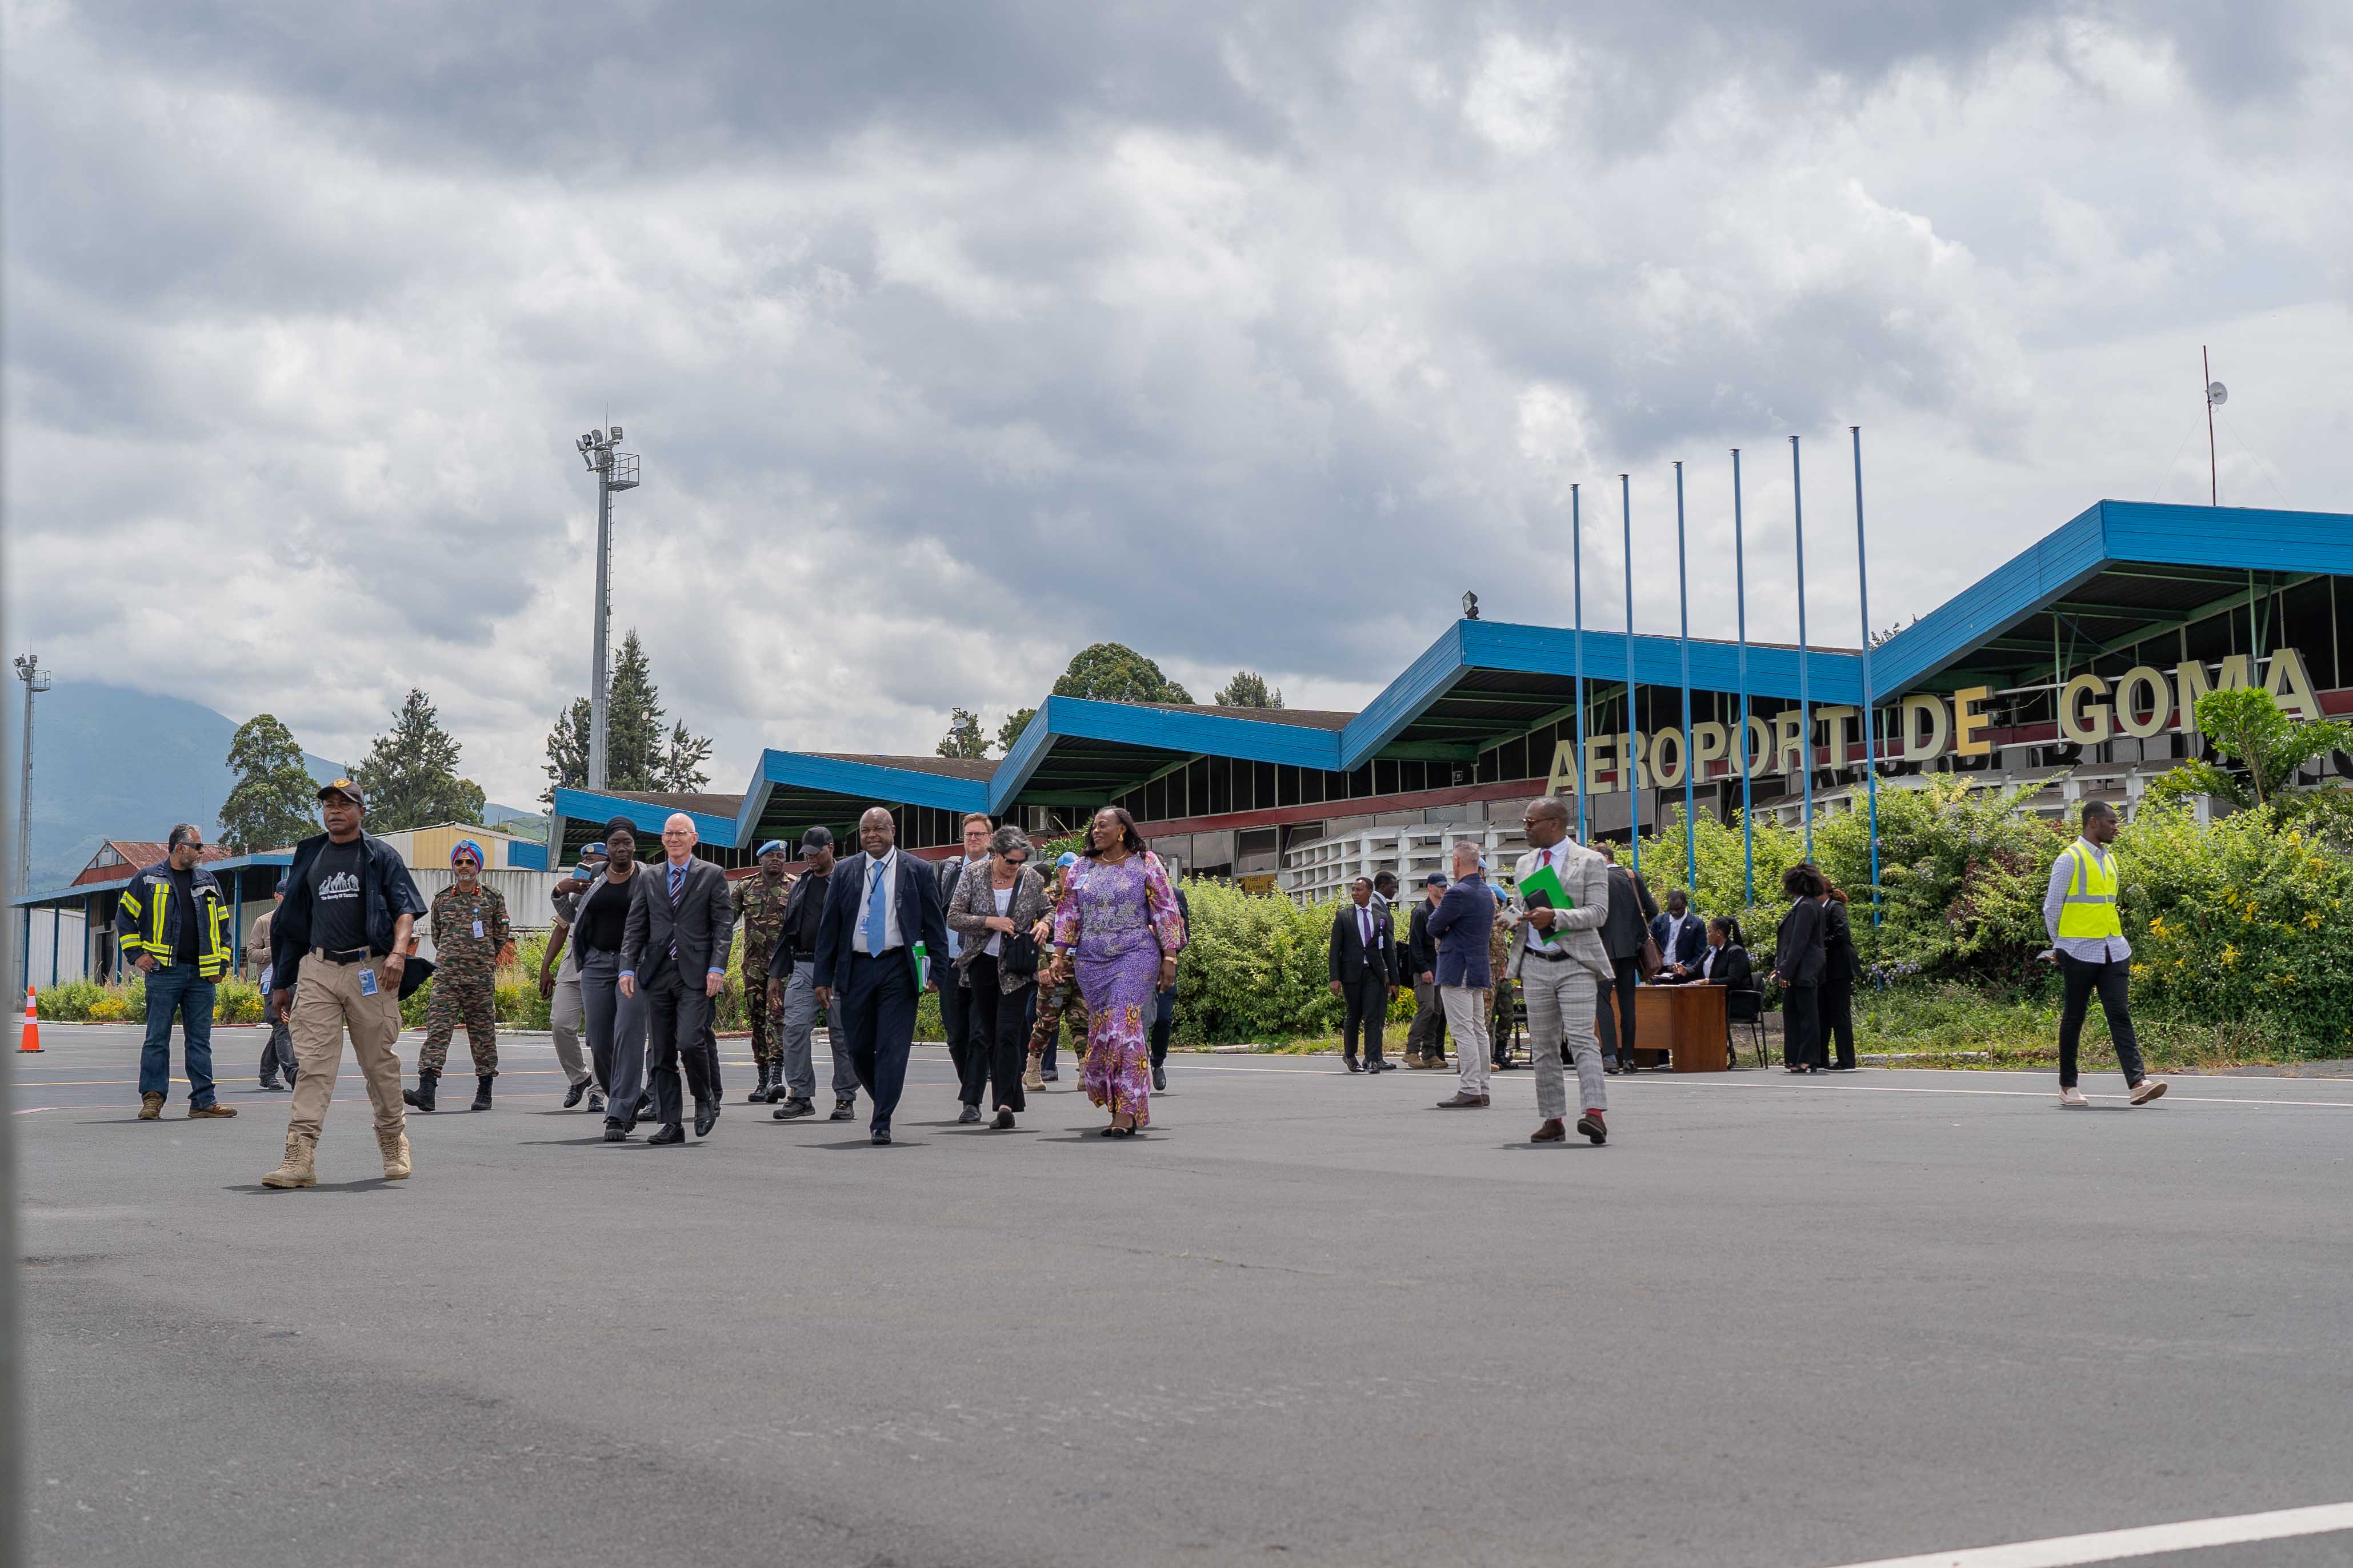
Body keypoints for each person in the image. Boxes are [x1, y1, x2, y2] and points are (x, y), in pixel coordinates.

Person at [262, 780, 428, 1186]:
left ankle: (392, 1139)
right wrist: (282, 980)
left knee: (378, 1063)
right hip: (317, 969)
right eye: (329, 805)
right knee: (313, 1065)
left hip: (369, 968)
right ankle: (299, 1157)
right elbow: (292, 926)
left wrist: (396, 954)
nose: (335, 810)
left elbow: (405, 911)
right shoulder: (310, 855)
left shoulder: (380, 855)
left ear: (361, 811)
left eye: (344, 804)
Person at [812, 807, 951, 1146]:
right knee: (858, 1047)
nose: (871, 835)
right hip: (857, 967)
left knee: (893, 1047)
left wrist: (939, 971)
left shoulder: (917, 870)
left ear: (893, 832)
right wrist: (822, 977)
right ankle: (883, 1098)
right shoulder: (845, 871)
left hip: (898, 968)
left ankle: (882, 1119)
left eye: (878, 829)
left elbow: (934, 924)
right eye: (865, 830)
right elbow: (829, 927)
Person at [1047, 807, 1187, 1137]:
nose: (1096, 831)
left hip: (1135, 953)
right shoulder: (1081, 867)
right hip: (1091, 961)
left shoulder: (1145, 862)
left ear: (1122, 830)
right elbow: (1068, 913)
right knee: (1104, 1033)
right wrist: (1059, 955)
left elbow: (1166, 909)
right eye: (1094, 827)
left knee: (1124, 1025)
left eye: (1103, 825)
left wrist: (1170, 958)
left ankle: (1127, 1111)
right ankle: (1116, 1102)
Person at [2043, 800, 2168, 1108]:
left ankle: (2138, 1083)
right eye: (2112, 822)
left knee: (2119, 1013)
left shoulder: (2109, 860)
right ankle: (2068, 1086)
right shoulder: (2069, 859)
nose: (2117, 827)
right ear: (2094, 823)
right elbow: (2052, 907)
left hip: (2113, 949)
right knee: (2075, 1017)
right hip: (2078, 950)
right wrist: (2059, 945)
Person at [619, 813, 734, 1145]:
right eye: (669, 834)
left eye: (680, 833)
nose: (674, 839)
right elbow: (635, 926)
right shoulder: (650, 877)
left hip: (696, 974)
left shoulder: (711, 875)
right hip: (658, 973)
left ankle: (704, 1098)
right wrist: (627, 967)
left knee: (690, 1041)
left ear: (694, 839)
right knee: (661, 1052)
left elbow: (723, 927)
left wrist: (717, 967)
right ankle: (671, 1123)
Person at [1507, 797, 1614, 1144]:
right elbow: (1522, 906)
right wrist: (1506, 920)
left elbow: (1599, 913)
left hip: (1576, 963)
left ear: (1554, 823)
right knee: (1543, 1046)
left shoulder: (1590, 861)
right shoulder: (1525, 863)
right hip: (1536, 965)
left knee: (1582, 1039)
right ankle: (1553, 1119)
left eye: (1530, 822)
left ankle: (1595, 1114)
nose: (1525, 828)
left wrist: (1557, 916)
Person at [118, 824, 238, 1121]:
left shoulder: (209, 880)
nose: (202, 852)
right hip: (164, 973)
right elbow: (125, 919)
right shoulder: (147, 878)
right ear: (180, 848)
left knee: (200, 1040)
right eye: (198, 846)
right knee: (157, 1037)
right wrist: (137, 955)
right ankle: (153, 1100)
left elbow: (224, 927)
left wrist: (221, 965)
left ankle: (203, 1102)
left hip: (202, 975)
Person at [946, 825, 1053, 1129]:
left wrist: (1044, 925)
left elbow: (1049, 911)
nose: (1015, 867)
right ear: (996, 854)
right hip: (981, 964)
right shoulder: (974, 874)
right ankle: (996, 1098)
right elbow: (954, 917)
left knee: (1008, 1033)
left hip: (1017, 968)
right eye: (1010, 861)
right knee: (986, 1034)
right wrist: (989, 921)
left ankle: (1005, 1105)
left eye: (1020, 862)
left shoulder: (1030, 879)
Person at [407, 840, 513, 1113]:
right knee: (437, 1030)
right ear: (454, 866)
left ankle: (485, 1089)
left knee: (483, 1033)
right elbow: (439, 935)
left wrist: (482, 958)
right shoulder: (442, 898)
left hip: (480, 978)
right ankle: (427, 1091)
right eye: (459, 862)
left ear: (478, 865)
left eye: (469, 862)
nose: (464, 867)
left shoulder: (492, 897)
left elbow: (500, 937)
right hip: (447, 978)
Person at [767, 827, 859, 1122]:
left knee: (841, 1034)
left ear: (831, 848)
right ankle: (801, 1096)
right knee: (793, 1028)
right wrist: (777, 976)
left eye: (815, 852)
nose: (809, 858)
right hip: (805, 966)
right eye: (805, 853)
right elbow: (788, 931)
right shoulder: (801, 884)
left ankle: (845, 1097)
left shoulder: (848, 880)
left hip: (839, 967)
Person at [577, 820, 650, 1133]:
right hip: (595, 963)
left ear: (635, 845)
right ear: (606, 848)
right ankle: (628, 1097)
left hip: (633, 965)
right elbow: (570, 917)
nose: (621, 848)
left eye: (627, 843)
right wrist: (558, 892)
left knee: (629, 1036)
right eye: (615, 843)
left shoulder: (649, 877)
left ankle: (617, 1113)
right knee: (600, 1041)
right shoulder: (593, 877)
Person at [538, 844, 608, 1112]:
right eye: (585, 860)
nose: (588, 862)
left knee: (600, 1034)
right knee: (560, 1025)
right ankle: (580, 1078)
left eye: (593, 859)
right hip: (573, 967)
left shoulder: (620, 883)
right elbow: (562, 926)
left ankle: (599, 1092)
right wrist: (546, 968)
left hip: (604, 967)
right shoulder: (577, 892)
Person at [936, 813, 996, 1122]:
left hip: (983, 963)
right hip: (949, 962)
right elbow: (936, 914)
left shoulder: (998, 871)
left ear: (990, 838)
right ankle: (969, 1087)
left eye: (979, 834)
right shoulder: (950, 869)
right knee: (956, 1035)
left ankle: (971, 1101)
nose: (973, 839)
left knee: (979, 1034)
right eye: (969, 834)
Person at [1430, 840, 1499, 1109]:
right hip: (1478, 966)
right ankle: (1482, 1087)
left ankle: (1469, 1088)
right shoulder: (1486, 893)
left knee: (1463, 1030)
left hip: (1456, 965)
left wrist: (1447, 931)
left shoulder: (1458, 893)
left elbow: (1434, 925)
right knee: (1479, 1029)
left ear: (1457, 862)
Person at [733, 840, 797, 1104]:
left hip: (782, 967)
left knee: (777, 1017)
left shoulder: (795, 886)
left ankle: (776, 1076)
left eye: (781, 856)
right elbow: (725, 921)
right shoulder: (746, 887)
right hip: (753, 966)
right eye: (771, 855)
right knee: (758, 1021)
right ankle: (762, 1079)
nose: (776, 860)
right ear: (761, 859)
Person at [1594, 841, 1660, 1073]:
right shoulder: (1633, 877)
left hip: (1602, 951)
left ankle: (1610, 1056)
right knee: (1627, 1003)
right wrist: (1637, 937)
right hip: (1630, 951)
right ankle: (1630, 1058)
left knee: (1602, 1001)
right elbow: (1652, 910)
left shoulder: (1597, 881)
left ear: (1603, 859)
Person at [1024, 850, 1083, 1089]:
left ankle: (1085, 1073)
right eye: (1070, 868)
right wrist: (1041, 968)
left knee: (1082, 1021)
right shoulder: (1045, 899)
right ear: (1060, 871)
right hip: (1053, 966)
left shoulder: (1084, 898)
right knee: (1047, 1020)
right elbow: (1034, 937)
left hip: (1080, 967)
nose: (1075, 873)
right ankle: (1033, 1068)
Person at [1328, 876, 1397, 1073]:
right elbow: (1335, 950)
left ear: (1369, 892)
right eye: (1353, 890)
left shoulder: (1380, 917)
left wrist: (1394, 979)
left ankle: (1373, 1058)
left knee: (1373, 1016)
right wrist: (1335, 977)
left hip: (1374, 973)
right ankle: (1350, 1056)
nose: (1355, 894)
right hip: (1351, 973)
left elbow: (1387, 951)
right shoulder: (1344, 916)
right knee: (1354, 1015)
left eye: (1359, 890)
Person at [1770, 864, 1828, 1073]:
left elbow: (1798, 943)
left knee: (1806, 1016)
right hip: (1799, 969)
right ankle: (1795, 1057)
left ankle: (1807, 1058)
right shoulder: (1808, 905)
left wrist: (1786, 971)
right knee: (1795, 1015)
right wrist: (1782, 969)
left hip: (1802, 971)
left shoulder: (1806, 907)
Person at [249, 876, 297, 1092]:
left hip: (297, 980)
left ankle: (267, 1073)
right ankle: (293, 1072)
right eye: (285, 896)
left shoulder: (302, 920)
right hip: (271, 980)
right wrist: (274, 950)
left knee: (283, 1028)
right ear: (277, 896)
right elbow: (251, 954)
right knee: (281, 1024)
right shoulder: (264, 922)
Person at [1147, 880, 1191, 1092]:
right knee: (1137, 1021)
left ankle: (1157, 1062)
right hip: (1137, 967)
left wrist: (1169, 954)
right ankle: (1135, 1066)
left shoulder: (1176, 894)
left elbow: (1185, 936)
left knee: (1163, 1018)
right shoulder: (1134, 893)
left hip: (1166, 967)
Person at [1402, 872, 1448, 1069]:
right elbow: (1415, 945)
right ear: (1430, 887)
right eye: (1439, 886)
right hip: (1425, 968)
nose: (1443, 889)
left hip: (1441, 967)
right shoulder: (1421, 912)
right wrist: (1423, 969)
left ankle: (1429, 1053)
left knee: (1437, 1009)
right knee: (1427, 1007)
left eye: (1445, 886)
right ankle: (1412, 1051)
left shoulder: (1445, 909)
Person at [1817, 876, 1860, 1072]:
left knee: (1840, 1015)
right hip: (1828, 969)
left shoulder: (1835, 908)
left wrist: (1820, 942)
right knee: (1824, 1014)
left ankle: (1846, 1060)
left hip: (1840, 968)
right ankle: (1821, 1058)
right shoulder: (1823, 909)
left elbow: (1842, 934)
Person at [1650, 889, 1705, 974]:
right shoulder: (1658, 921)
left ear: (1686, 904)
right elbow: (1652, 947)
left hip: (1684, 975)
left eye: (1678, 909)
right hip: (1660, 973)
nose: (1674, 913)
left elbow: (1700, 954)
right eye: (1671, 909)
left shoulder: (1697, 925)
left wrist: (1686, 969)